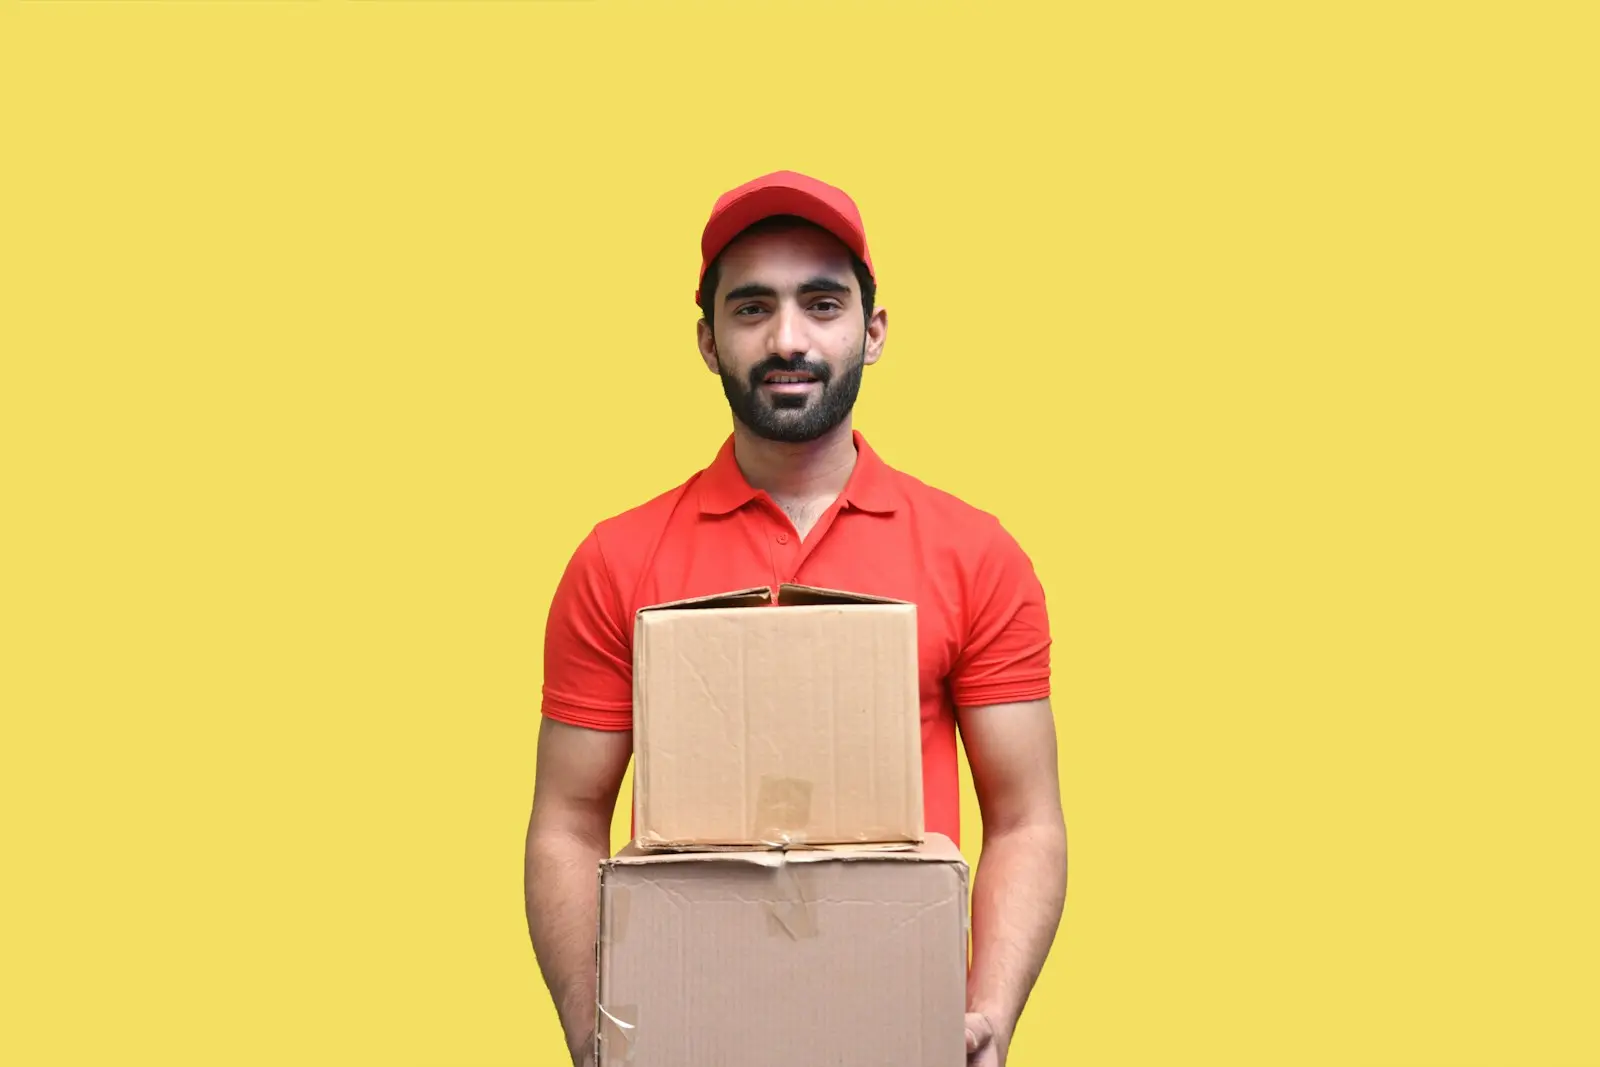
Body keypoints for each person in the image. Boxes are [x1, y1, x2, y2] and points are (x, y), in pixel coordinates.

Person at [524, 170, 1067, 1067]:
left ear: (873, 330)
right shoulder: (617, 558)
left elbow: (1025, 817)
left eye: (822, 304)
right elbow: (567, 819)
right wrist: (598, 1032)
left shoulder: (976, 553)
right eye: (751, 308)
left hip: (898, 1024)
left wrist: (990, 1014)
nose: (788, 339)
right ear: (707, 340)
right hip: (684, 1027)